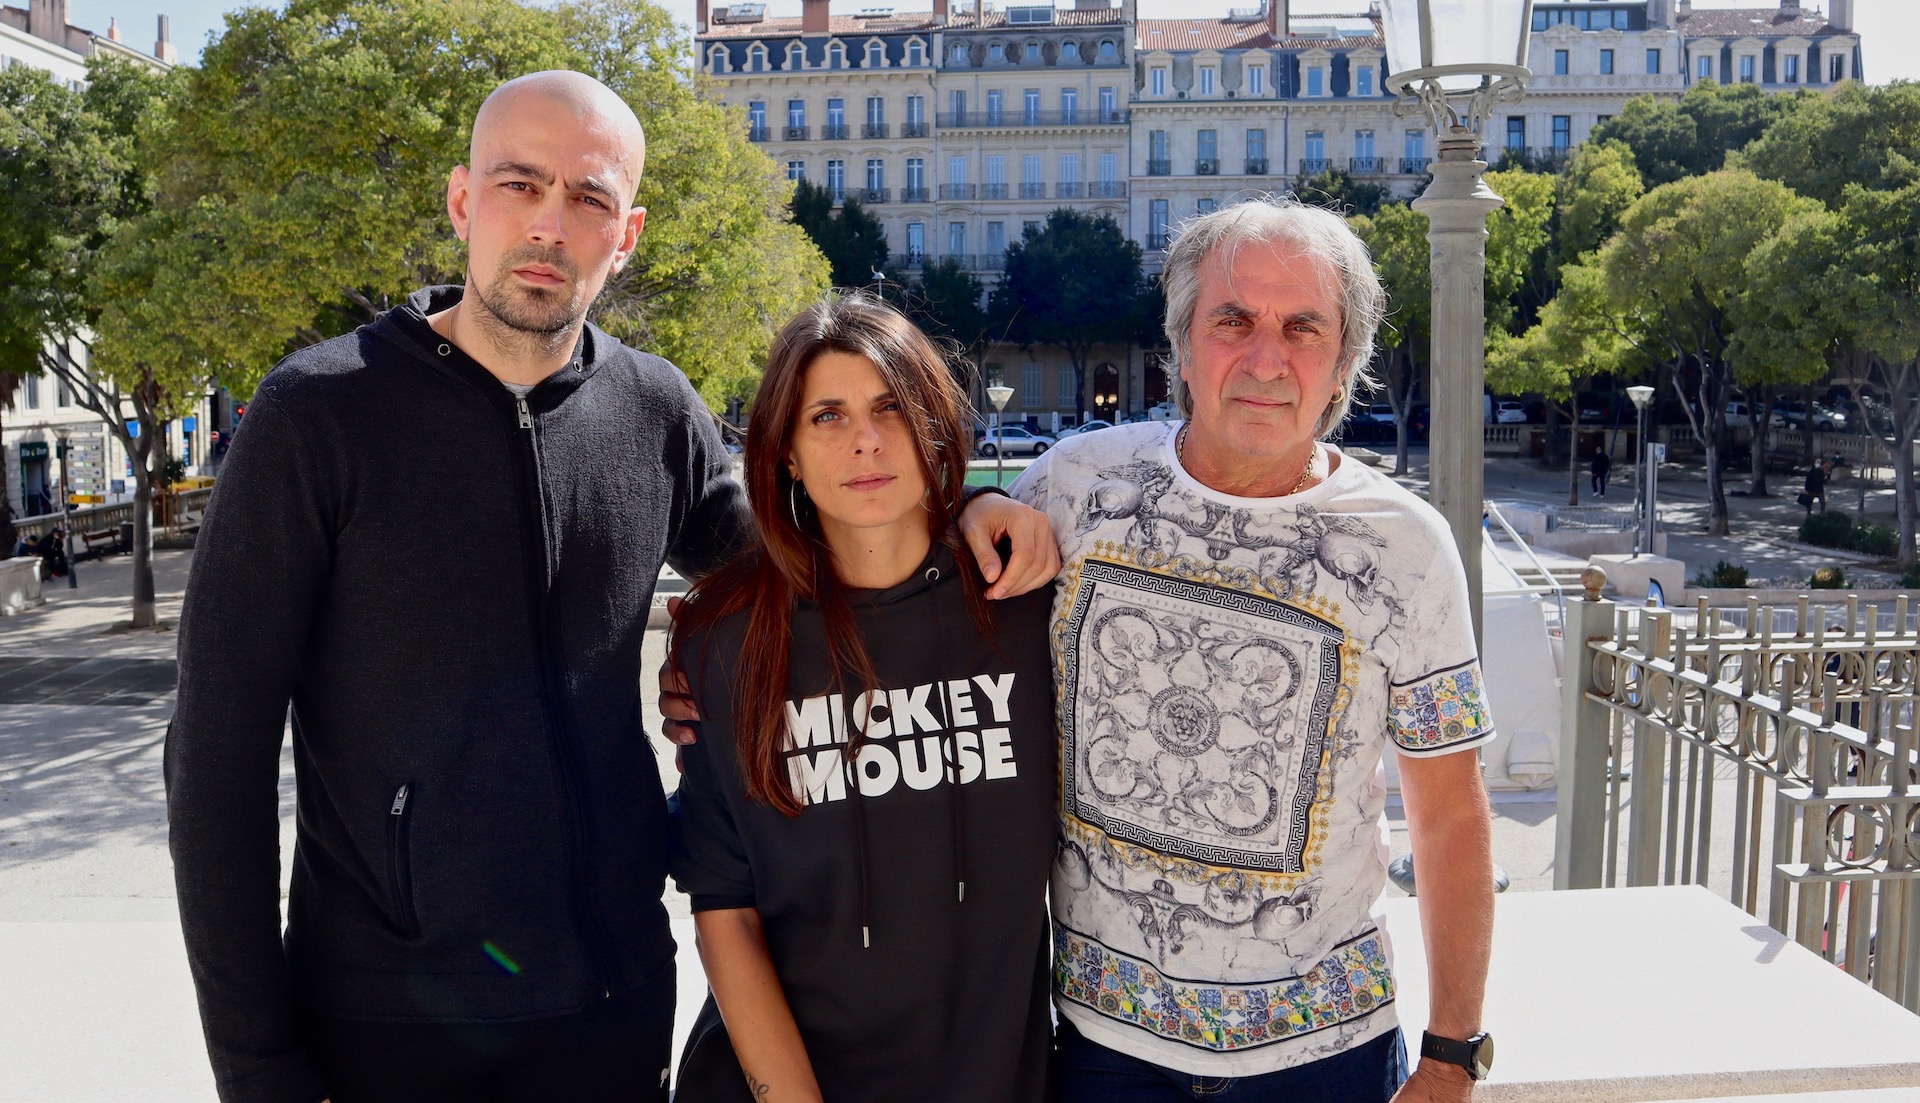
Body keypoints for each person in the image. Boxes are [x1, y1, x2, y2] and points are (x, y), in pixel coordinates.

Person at [165, 70, 1057, 1103]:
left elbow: (808, 555)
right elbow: (215, 760)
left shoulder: (652, 406)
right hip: (385, 1018)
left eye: (586, 198)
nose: (549, 223)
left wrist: (962, 520)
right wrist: (258, 1066)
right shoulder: (317, 417)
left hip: (612, 1007)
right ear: (463, 201)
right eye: (519, 185)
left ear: (625, 233)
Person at [1015, 199, 1496, 1102]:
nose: (1266, 359)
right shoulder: (1070, 487)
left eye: (1303, 328)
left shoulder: (1409, 548)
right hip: (1099, 1053)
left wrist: (1452, 1051)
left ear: (1344, 361)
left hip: (1325, 1065)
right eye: (1233, 320)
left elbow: (1450, 818)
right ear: (1184, 343)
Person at [668, 294, 1056, 1103]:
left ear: (934, 425)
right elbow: (724, 912)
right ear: (787, 454)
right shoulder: (726, 641)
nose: (867, 440)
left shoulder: (1028, 609)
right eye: (828, 417)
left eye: (890, 407)